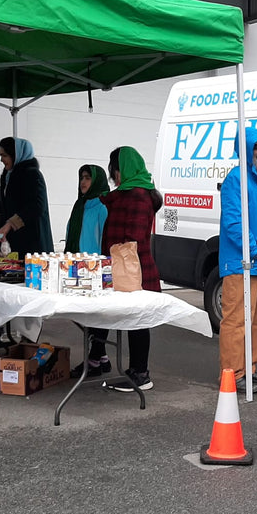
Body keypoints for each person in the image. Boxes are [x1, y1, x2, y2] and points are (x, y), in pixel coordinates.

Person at [100, 147, 162, 392]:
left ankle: (140, 374)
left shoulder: (138, 196)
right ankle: (135, 370)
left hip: (134, 270)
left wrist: (115, 256)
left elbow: (132, 239)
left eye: (115, 169)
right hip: (127, 267)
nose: (114, 176)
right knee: (132, 320)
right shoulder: (129, 194)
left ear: (123, 168)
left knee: (138, 321)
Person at [218, 127, 257, 394]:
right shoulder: (235, 180)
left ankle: (248, 369)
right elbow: (234, 224)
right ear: (245, 150)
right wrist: (254, 250)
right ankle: (233, 374)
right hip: (241, 263)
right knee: (236, 321)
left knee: (255, 320)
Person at [67, 164, 112, 378]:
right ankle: (101, 357)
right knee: (82, 314)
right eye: (81, 177)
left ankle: (94, 359)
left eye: (88, 178)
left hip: (96, 269)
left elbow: (106, 239)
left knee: (98, 314)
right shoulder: (80, 204)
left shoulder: (103, 206)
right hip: (76, 268)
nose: (83, 182)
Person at [0, 137, 54, 258]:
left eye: (5, 155)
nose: (1, 160)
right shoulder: (7, 176)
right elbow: (12, 206)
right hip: (15, 241)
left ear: (15, 155)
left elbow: (37, 206)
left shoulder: (32, 174)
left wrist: (10, 224)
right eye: (0, 155)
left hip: (33, 243)